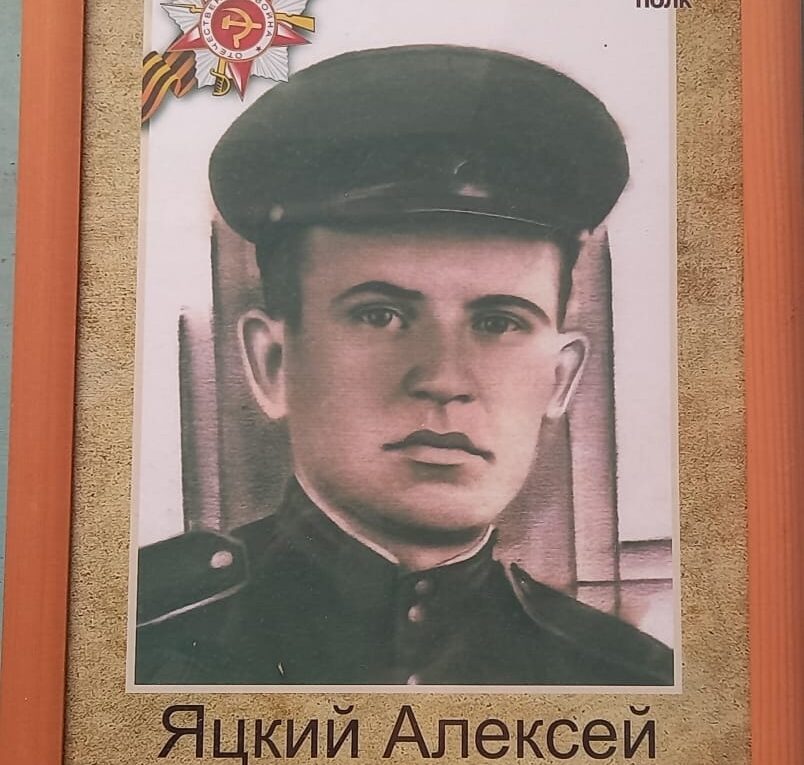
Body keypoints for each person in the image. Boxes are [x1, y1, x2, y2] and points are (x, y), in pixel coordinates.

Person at [135, 45, 674, 686]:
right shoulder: (130, 642)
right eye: (380, 315)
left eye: (498, 323)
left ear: (559, 380)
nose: (444, 379)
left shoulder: (625, 678)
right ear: (272, 362)